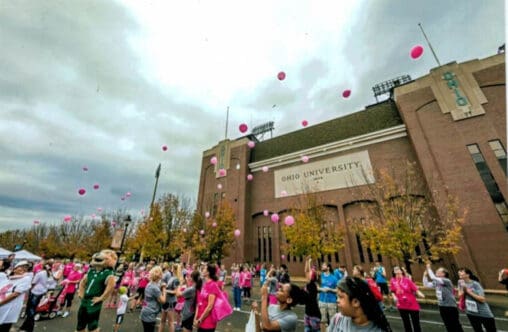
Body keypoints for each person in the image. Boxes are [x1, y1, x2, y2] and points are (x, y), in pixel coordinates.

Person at [327, 277, 392, 332]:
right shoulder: (337, 319)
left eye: (341, 297)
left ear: (356, 302)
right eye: (337, 297)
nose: (337, 300)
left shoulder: (378, 329)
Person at [76, 249, 117, 332]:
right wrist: (81, 292)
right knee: (80, 320)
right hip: (85, 300)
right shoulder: (91, 271)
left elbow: (111, 287)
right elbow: (82, 283)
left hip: (94, 301)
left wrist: (101, 298)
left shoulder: (108, 273)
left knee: (92, 322)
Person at [423, 262, 463, 332]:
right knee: (448, 324)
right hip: (442, 306)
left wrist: (429, 268)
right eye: (436, 272)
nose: (436, 272)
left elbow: (433, 277)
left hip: (450, 306)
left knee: (455, 325)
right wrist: (425, 276)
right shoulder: (437, 282)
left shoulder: (446, 280)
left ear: (443, 274)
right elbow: (426, 285)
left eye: (438, 272)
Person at [458, 267, 497, 332]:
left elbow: (482, 299)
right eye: (459, 273)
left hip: (483, 312)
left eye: (462, 273)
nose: (460, 274)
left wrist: (468, 292)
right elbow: (459, 295)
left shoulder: (475, 284)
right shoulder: (460, 283)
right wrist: (463, 290)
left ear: (468, 275)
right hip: (470, 312)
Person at [0, 260, 32, 332]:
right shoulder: (8, 278)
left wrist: (0, 303)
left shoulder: (26, 279)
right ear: (15, 269)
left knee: (3, 328)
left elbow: (15, 294)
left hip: (9, 309)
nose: (24, 269)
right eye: (21, 267)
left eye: (26, 268)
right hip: (2, 307)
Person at [390, 266, 424, 332]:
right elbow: (392, 291)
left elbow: (415, 289)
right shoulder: (393, 280)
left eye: (398, 270)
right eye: (395, 270)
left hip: (412, 304)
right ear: (394, 272)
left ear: (401, 271)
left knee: (416, 323)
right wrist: (394, 296)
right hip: (401, 305)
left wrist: (420, 293)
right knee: (406, 323)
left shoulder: (407, 280)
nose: (397, 271)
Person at [19, 260, 49, 332]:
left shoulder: (40, 273)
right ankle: (25, 326)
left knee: (31, 310)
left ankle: (29, 328)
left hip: (35, 292)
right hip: (41, 292)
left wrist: (29, 290)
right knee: (31, 309)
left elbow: (33, 283)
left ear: (42, 266)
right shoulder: (47, 273)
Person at [194, 263, 221, 332]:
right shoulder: (205, 284)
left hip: (208, 323)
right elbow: (199, 302)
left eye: (204, 268)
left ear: (208, 272)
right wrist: (196, 318)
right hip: (201, 320)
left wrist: (200, 320)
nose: (202, 269)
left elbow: (210, 306)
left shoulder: (213, 285)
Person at [140, 266, 167, 332]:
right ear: (160, 276)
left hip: (145, 311)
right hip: (150, 314)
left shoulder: (149, 284)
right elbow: (163, 301)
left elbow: (156, 298)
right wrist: (164, 289)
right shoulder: (155, 288)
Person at [318, 262, 338, 329]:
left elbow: (337, 290)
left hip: (332, 302)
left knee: (333, 321)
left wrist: (330, 290)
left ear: (328, 267)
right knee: (322, 321)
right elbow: (316, 288)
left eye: (324, 265)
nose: (322, 266)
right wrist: (321, 289)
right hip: (322, 301)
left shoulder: (334, 278)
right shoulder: (320, 277)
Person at [303, 256, 321, 332]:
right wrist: (307, 261)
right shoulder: (313, 284)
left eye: (310, 272)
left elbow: (306, 271)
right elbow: (306, 271)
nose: (308, 272)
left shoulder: (312, 285)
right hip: (308, 314)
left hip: (313, 315)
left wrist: (308, 262)